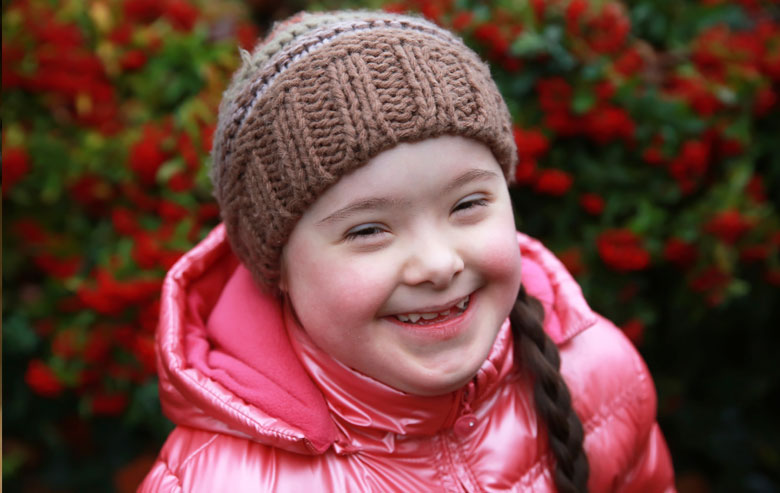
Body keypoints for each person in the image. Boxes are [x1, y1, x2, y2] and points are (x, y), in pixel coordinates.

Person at [140, 10, 675, 492]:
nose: (439, 264)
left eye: (467, 204)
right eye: (368, 230)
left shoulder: (599, 375)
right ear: (276, 268)